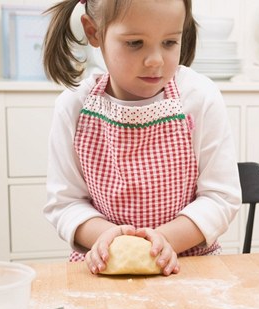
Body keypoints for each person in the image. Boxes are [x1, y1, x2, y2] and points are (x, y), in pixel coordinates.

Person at [42, 0, 241, 276]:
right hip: (104, 268)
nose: (155, 60)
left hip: (189, 267)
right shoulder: (73, 107)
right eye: (135, 43)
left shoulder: (199, 98)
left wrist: (164, 241)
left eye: (170, 42)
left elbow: (220, 197)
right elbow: (64, 203)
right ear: (94, 32)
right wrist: (110, 239)